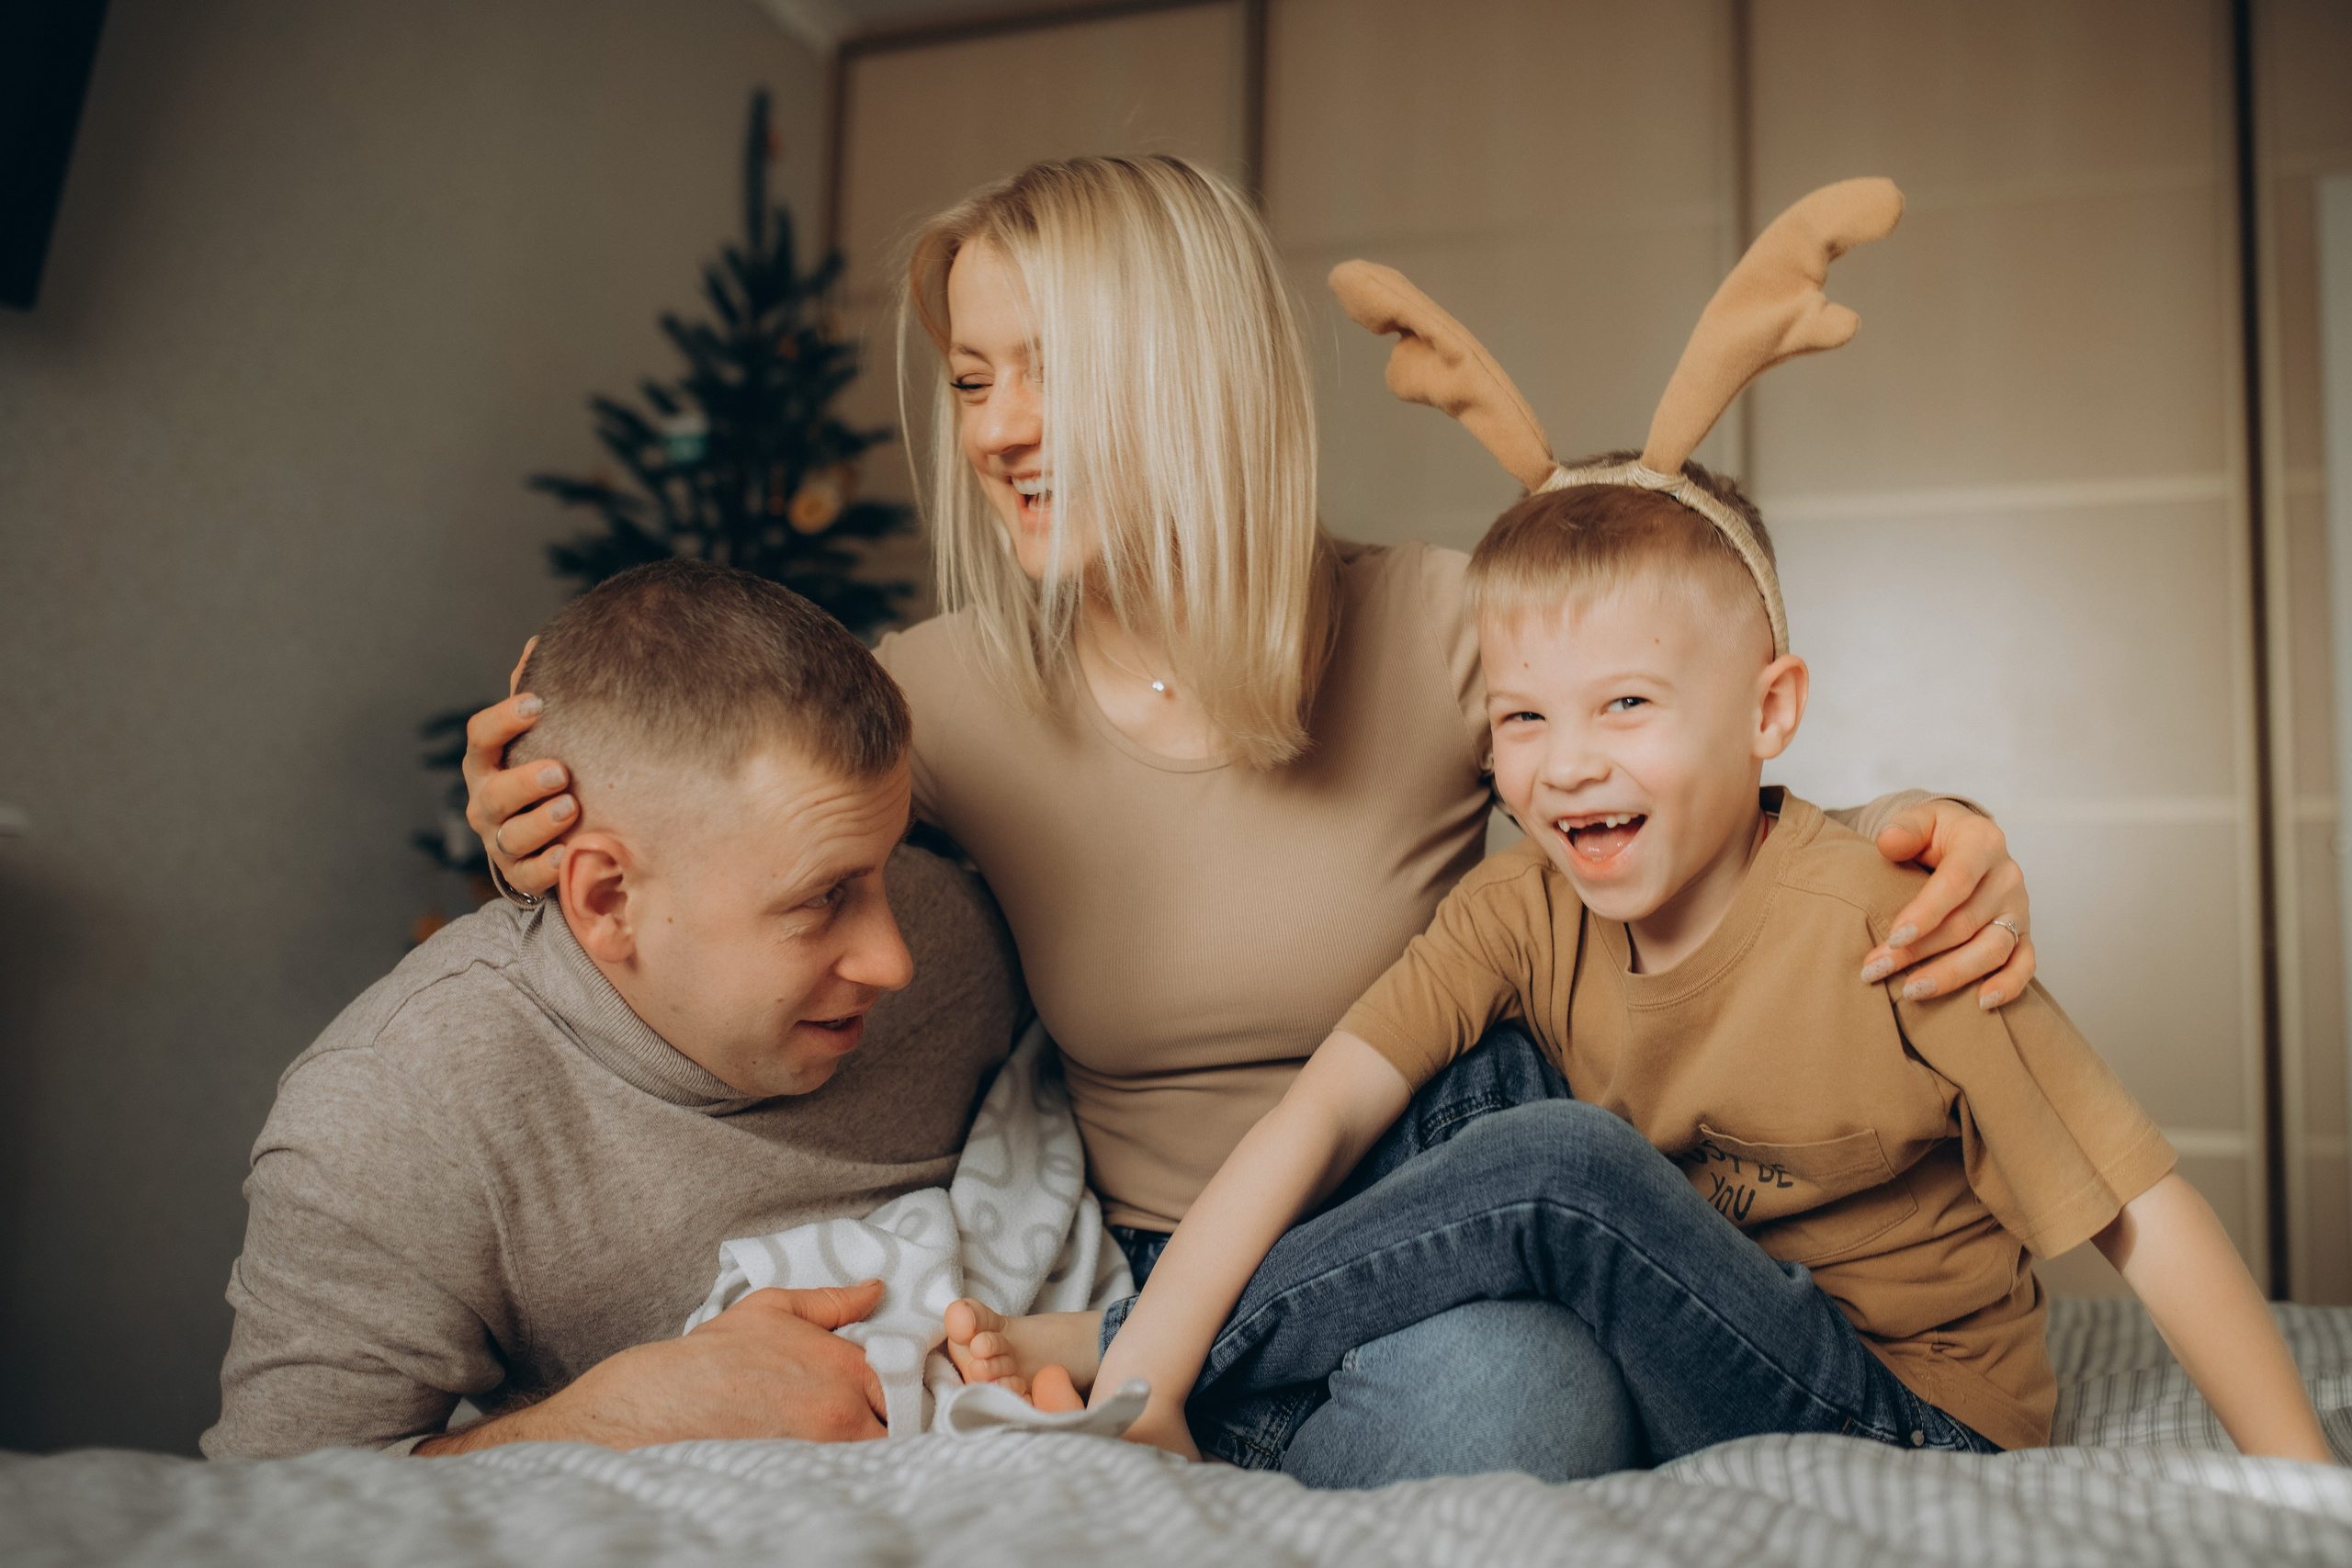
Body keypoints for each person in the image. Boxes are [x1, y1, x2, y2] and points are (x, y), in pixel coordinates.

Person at [463, 155, 2043, 1486]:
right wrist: (527, 812)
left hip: (1459, 1171)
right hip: (1193, 1249)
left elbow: (1676, 750)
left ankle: (1135, 1373)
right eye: (969, 379)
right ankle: (1176, 1361)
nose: (998, 430)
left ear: (1197, 376)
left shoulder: (1433, 619)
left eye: (1049, 373)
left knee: (1532, 1323)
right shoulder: (935, 699)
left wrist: (1918, 822)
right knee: (1518, 1398)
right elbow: (701, 829)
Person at [984, 460, 2332, 1468]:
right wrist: (1159, 1371)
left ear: (1768, 712)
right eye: (1522, 716)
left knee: (1563, 1162)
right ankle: (1168, 1360)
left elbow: (2142, 1212)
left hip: (1909, 1416)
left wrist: (2306, 1484)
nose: (1567, 759)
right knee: (1469, 1085)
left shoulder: (1890, 917)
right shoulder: (1519, 907)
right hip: (1696, 1345)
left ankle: (1129, 1349)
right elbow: (1321, 1109)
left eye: (1626, 702)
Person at [203, 560, 1028, 1460]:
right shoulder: (397, 1113)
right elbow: (271, 1505)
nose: (895, 959)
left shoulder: (963, 938)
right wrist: (608, 1422)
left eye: (886, 866)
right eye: (822, 899)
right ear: (604, 899)